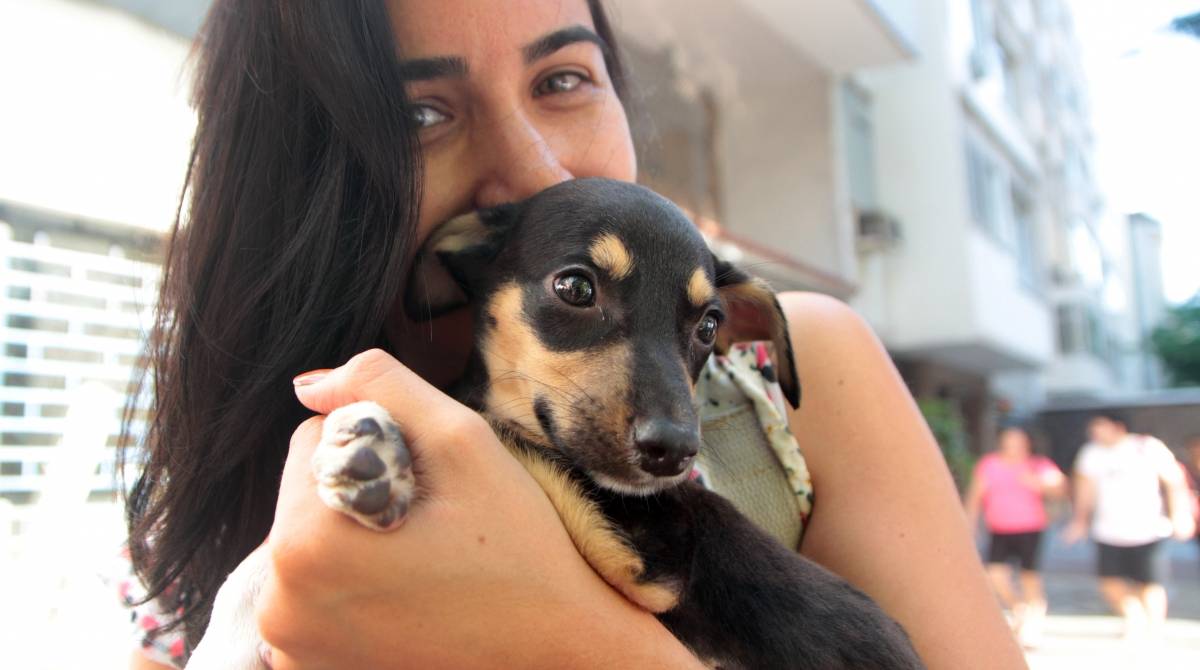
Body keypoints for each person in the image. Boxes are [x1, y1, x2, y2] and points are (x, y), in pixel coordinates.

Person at [119, 1, 1025, 668]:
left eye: (562, 80)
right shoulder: (196, 522)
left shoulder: (805, 373)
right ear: (294, 175)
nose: (535, 170)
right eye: (420, 115)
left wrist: (575, 643)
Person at [1064, 412, 1197, 639]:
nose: (1094, 432)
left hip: (1148, 528)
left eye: (1100, 426)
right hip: (1107, 530)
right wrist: (1079, 521)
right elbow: (1084, 490)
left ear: (1118, 427)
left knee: (1150, 583)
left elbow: (1174, 481)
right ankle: (1133, 616)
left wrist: (1180, 515)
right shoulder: (1091, 454)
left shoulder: (1147, 447)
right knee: (1109, 582)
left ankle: (1154, 628)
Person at [965, 425, 1065, 646]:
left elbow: (1059, 489)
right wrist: (970, 524)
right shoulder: (989, 464)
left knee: (1029, 577)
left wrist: (1038, 484)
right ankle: (1018, 607)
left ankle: (1033, 625)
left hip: (1029, 527)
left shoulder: (1038, 465)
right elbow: (975, 496)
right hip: (999, 528)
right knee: (994, 574)